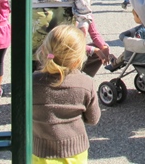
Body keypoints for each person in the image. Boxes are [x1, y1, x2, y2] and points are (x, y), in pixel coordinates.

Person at [33, 25, 101, 163]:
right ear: (78, 59)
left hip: (40, 151)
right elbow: (93, 118)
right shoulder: (85, 83)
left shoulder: (32, 82)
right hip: (75, 152)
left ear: (45, 51)